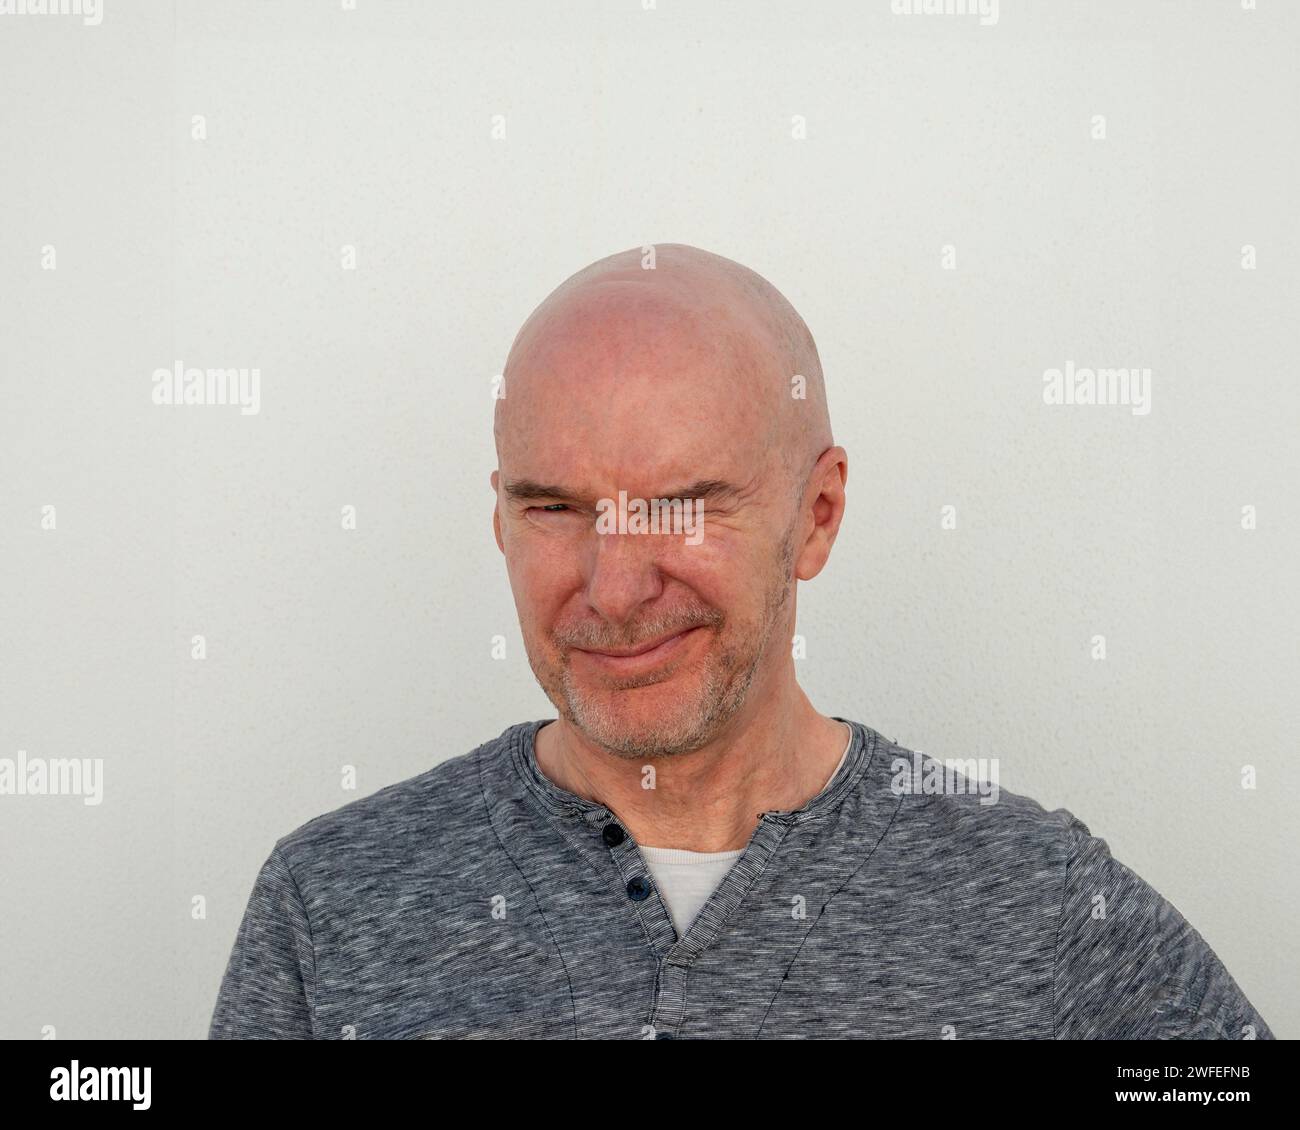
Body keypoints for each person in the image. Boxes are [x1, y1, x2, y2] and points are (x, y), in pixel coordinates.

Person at [209, 243, 1273, 1039]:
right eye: (553, 508)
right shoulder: (331, 902)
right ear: (497, 515)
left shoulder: (1039, 904)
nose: (613, 587)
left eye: (682, 505)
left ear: (815, 515)